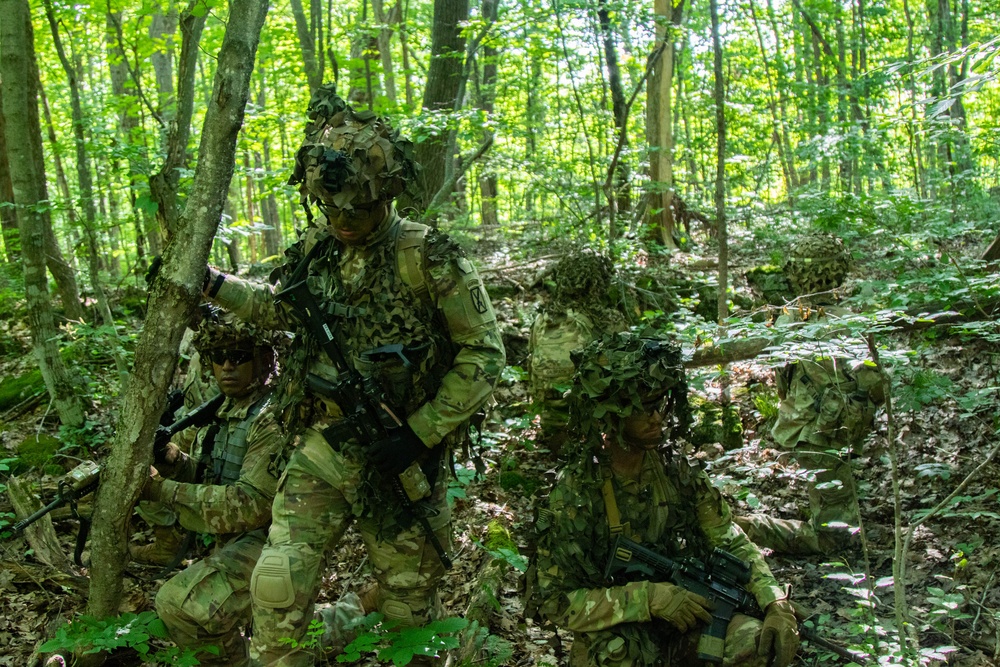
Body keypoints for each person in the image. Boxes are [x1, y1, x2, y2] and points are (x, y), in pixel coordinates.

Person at [202, 86, 505, 666]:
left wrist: (419, 432)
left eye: (356, 211)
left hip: (402, 458)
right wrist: (215, 283)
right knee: (276, 586)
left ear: (385, 196)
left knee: (408, 610)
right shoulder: (317, 248)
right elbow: (278, 309)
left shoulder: (430, 257)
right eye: (332, 209)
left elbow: (484, 356)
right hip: (322, 446)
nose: (343, 221)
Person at [532, 332, 799, 667]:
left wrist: (774, 601)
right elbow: (557, 602)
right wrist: (650, 598)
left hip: (689, 620)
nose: (657, 417)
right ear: (611, 414)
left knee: (756, 644)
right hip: (622, 634)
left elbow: (729, 540)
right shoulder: (574, 493)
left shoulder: (677, 472)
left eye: (661, 405)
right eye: (643, 409)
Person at [137, 312, 286, 666]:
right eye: (218, 358)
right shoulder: (226, 410)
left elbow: (251, 504)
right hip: (243, 540)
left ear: (263, 360)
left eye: (238, 357)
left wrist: (163, 491)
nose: (227, 367)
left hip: (276, 541)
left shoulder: (271, 416)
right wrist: (173, 458)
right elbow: (212, 476)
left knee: (179, 603)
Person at [736, 233, 884, 555]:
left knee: (835, 499)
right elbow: (876, 384)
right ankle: (746, 528)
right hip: (824, 432)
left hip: (808, 426)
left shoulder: (786, 319)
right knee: (836, 539)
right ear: (840, 272)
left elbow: (781, 382)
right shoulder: (849, 323)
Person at [527, 248, 627, 453]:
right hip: (593, 428)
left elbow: (531, 369)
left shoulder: (543, 320)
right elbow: (627, 374)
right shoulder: (608, 321)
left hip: (551, 423)